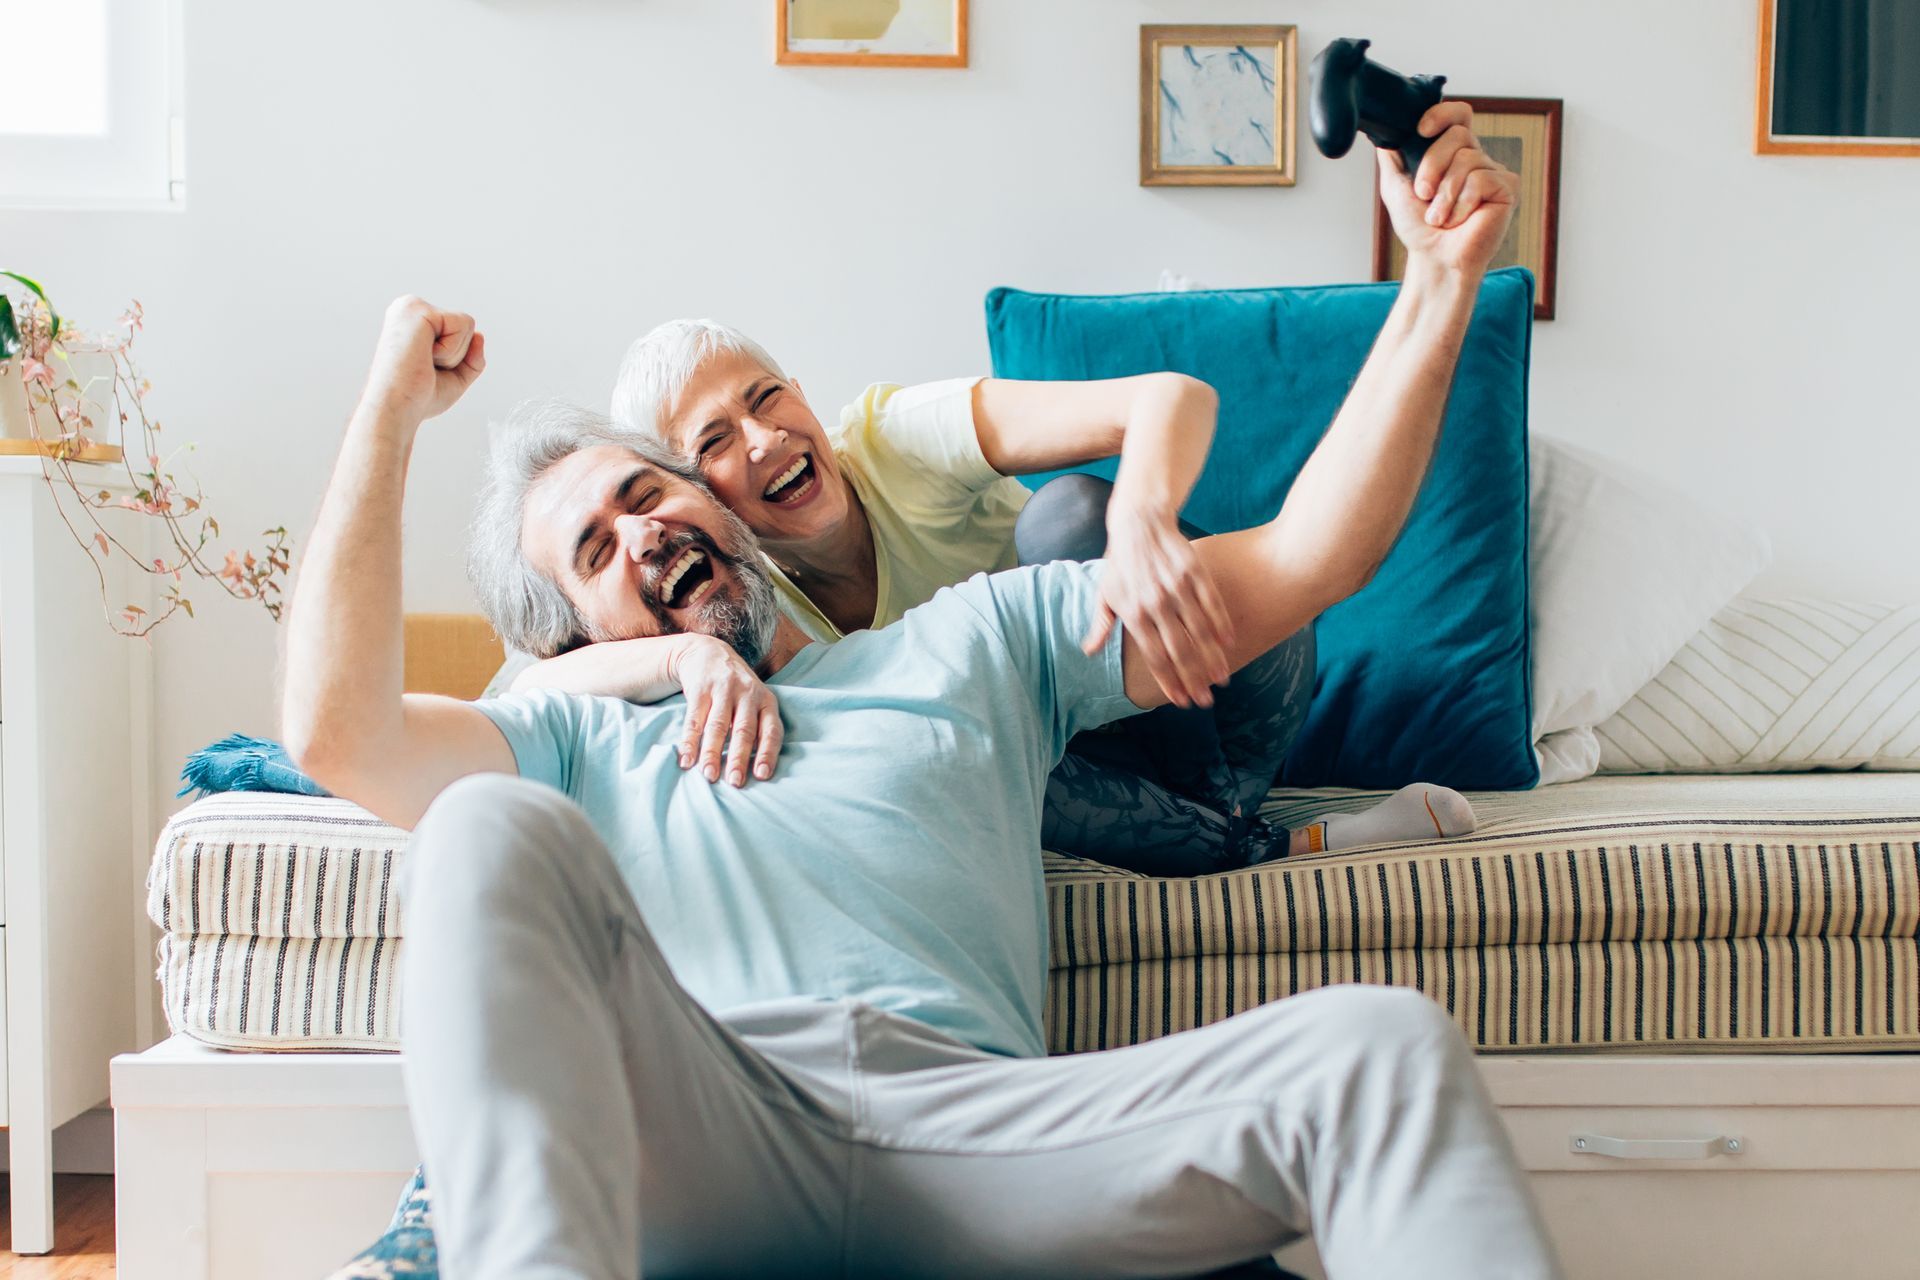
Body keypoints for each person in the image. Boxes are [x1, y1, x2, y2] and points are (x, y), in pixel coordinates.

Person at [282, 109, 1562, 1279]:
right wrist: (391, 411)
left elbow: (1312, 553)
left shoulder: (973, 639)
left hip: (984, 1136)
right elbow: (338, 731)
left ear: (721, 505)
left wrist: (1439, 279)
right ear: (572, 634)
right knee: (478, 828)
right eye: (594, 550)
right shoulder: (569, 728)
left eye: (648, 493)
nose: (642, 533)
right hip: (708, 1129)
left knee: (1383, 1052)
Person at [503, 137, 1501, 874]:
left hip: (1215, 675)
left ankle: (1225, 810)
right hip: (1071, 762)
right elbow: (524, 688)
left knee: (1066, 518)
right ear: (694, 493)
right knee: (940, 737)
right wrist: (690, 652)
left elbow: (1170, 399)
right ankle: (1263, 839)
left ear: (804, 394)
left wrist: (1141, 521)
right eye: (712, 444)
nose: (763, 441)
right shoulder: (729, 603)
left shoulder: (890, 433)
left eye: (768, 401)